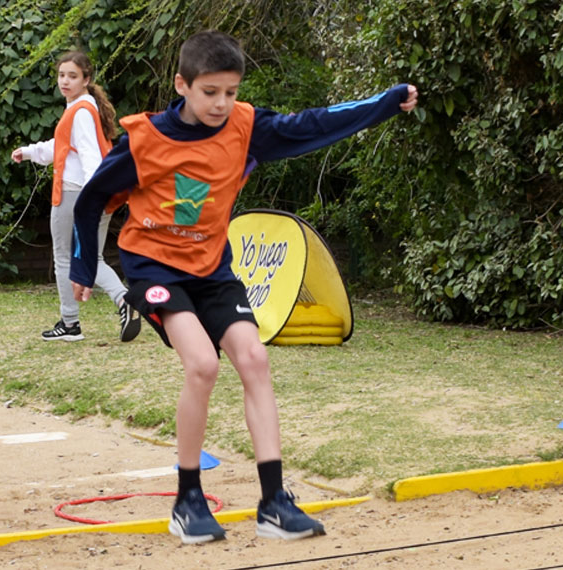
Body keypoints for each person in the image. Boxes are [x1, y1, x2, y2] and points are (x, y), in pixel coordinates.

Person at [69, 31, 418, 544]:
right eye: (210, 92)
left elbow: (314, 124)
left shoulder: (246, 129)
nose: (221, 103)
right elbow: (90, 200)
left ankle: (274, 503)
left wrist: (383, 105)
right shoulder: (144, 140)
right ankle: (188, 501)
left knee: (254, 359)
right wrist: (83, 266)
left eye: (231, 92)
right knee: (203, 364)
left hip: (212, 269)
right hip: (154, 267)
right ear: (182, 85)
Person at [11, 51, 140, 343]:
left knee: (64, 258)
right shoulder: (84, 109)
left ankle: (70, 323)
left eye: (72, 76)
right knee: (92, 258)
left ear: (86, 79)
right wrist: (30, 152)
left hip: (76, 193)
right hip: (95, 194)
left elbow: (90, 157)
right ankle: (124, 300)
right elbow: (63, 146)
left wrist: (91, 199)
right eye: (61, 75)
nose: (65, 81)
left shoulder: (81, 111)